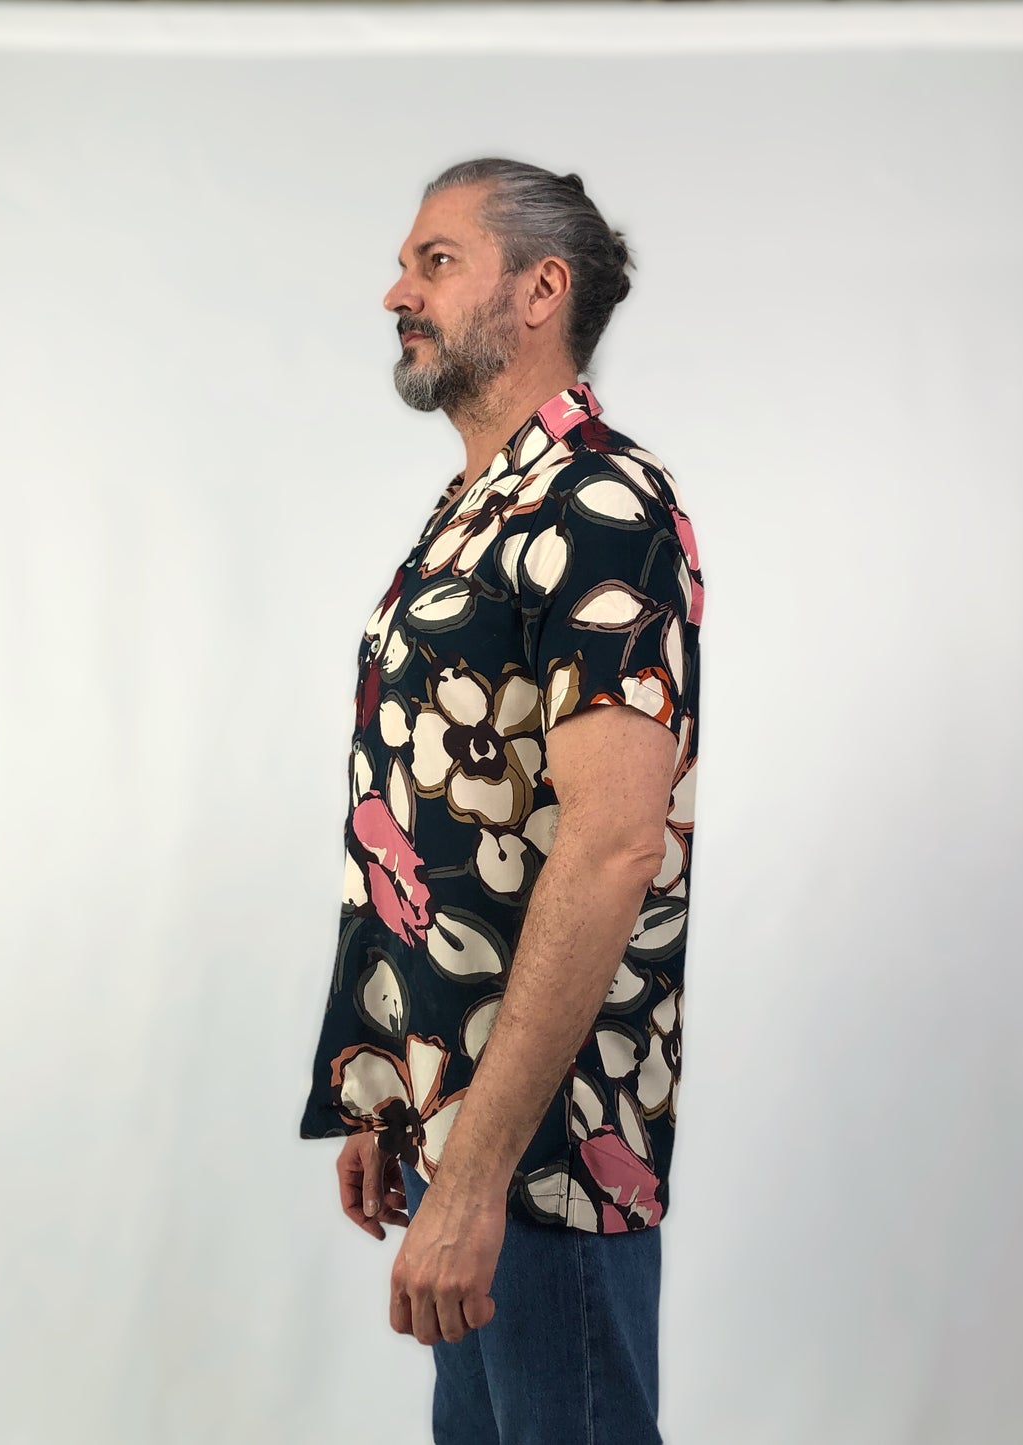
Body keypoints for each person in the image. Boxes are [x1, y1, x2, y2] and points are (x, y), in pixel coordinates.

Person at [299, 156, 704, 1444]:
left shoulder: (600, 502)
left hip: (548, 1154)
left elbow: (613, 843)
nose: (396, 293)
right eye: (404, 265)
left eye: (436, 262)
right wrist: (390, 1088)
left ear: (540, 290)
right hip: (463, 1132)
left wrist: (475, 1176)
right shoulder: (482, 508)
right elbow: (430, 819)